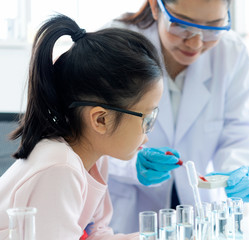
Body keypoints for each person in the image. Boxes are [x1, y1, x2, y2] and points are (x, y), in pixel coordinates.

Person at [104, 0, 249, 233]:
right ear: (155, 7)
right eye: (182, 25)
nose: (196, 42)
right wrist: (131, 164)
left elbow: (240, 134)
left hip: (197, 210)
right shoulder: (115, 44)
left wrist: (239, 168)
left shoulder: (231, 54)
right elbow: (88, 133)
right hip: (126, 212)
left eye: (213, 27)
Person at [0, 14, 164, 239]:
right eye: (147, 119)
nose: (149, 132)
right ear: (100, 120)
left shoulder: (94, 157)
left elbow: (96, 233)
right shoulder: (60, 167)